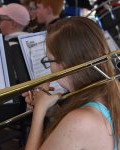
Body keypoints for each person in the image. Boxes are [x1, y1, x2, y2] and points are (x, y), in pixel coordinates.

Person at [23, 17, 120, 150]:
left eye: (49, 60)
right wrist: (50, 109)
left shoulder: (81, 121)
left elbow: (78, 128)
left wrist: (38, 111)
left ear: (64, 63)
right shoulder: (112, 91)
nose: (49, 68)